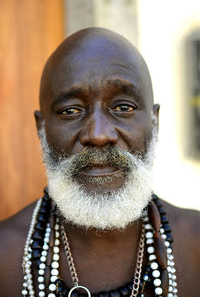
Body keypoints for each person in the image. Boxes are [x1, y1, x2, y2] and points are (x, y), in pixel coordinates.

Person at [0, 28, 200, 297]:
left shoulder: (196, 243)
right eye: (71, 111)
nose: (98, 135)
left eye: (123, 107)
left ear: (154, 122)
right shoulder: (5, 257)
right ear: (42, 129)